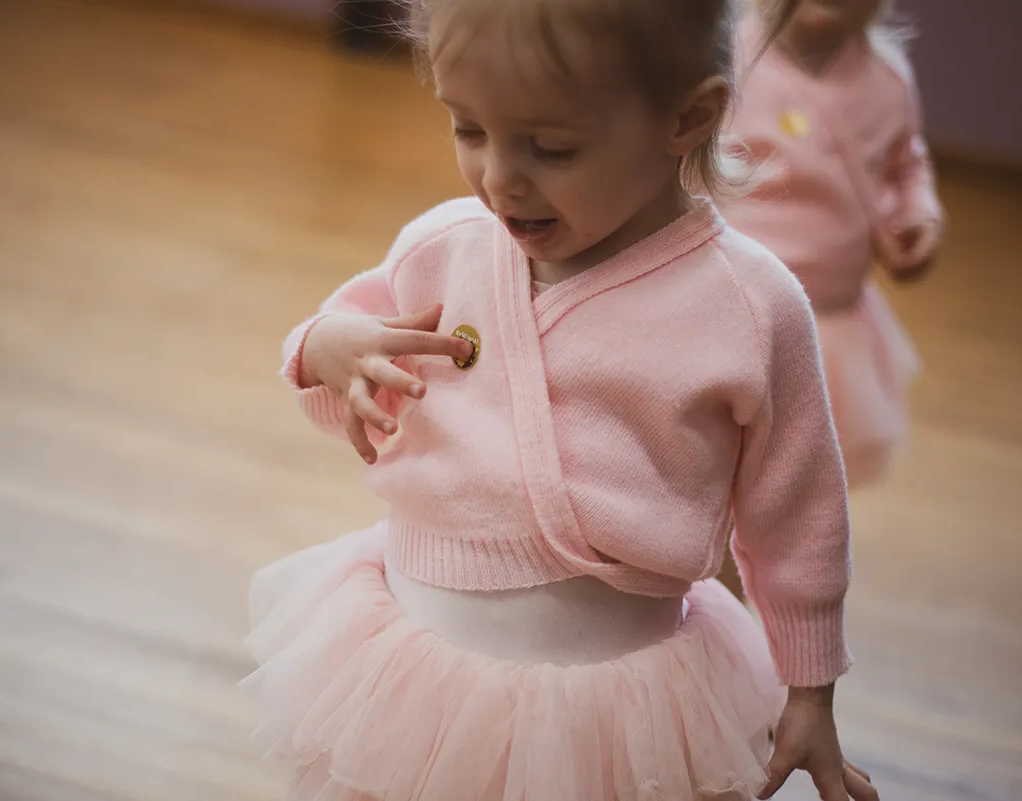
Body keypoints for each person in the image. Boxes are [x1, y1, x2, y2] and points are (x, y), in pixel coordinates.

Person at [243, 1, 878, 799]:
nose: (499, 178)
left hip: (619, 713)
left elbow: (799, 513)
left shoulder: (753, 306)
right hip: (418, 687)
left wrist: (810, 686)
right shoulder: (444, 248)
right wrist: (326, 350)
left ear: (687, 118)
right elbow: (345, 381)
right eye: (469, 129)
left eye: (551, 147)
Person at [724, 0, 945, 487]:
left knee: (800, 474)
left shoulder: (888, 80)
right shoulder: (726, 54)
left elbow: (908, 162)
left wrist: (918, 216)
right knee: (719, 459)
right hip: (731, 316)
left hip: (829, 325)